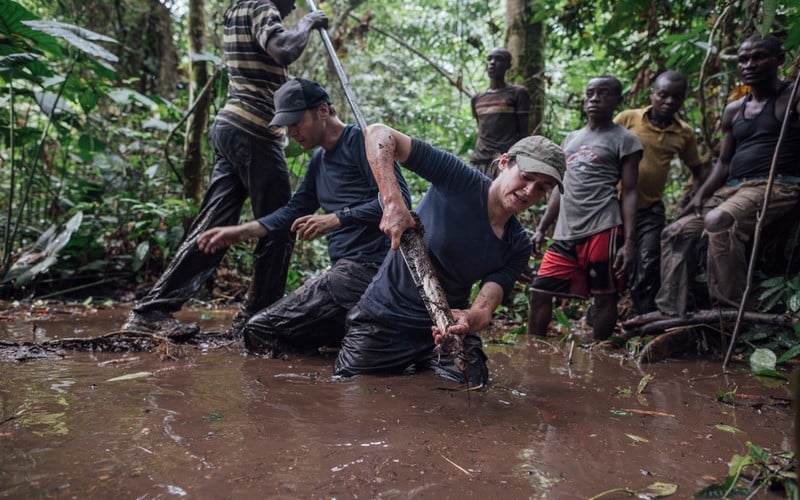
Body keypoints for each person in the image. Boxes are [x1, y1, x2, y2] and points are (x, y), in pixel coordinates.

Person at [122, 1, 328, 337]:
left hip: (230, 127)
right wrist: (307, 23)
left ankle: (152, 310)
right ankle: (259, 320)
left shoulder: (236, 9)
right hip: (254, 131)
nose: (292, 6)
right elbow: (283, 49)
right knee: (280, 228)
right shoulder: (262, 5)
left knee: (212, 227)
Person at [333, 128, 565, 387]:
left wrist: (466, 320)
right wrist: (392, 202)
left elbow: (485, 309)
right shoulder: (460, 180)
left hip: (444, 329)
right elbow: (379, 133)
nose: (529, 191)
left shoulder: (518, 245)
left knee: (471, 388)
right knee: (350, 388)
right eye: (526, 177)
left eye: (542, 188)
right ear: (503, 163)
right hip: (385, 318)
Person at [195, 78, 410, 356]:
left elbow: (399, 203)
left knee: (259, 329)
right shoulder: (319, 161)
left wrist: (337, 218)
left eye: (296, 122)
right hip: (345, 274)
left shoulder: (363, 142)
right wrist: (237, 232)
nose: (292, 131)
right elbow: (294, 210)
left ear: (322, 110)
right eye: (287, 125)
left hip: (373, 268)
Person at [655, 34, 800, 317]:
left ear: (779, 61)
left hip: (775, 184)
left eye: (759, 57)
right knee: (675, 231)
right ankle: (670, 310)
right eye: (743, 59)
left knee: (719, 220)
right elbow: (722, 163)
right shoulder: (735, 109)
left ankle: (728, 309)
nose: (749, 64)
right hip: (732, 188)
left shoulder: (791, 98)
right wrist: (700, 195)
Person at [527, 75, 642, 341]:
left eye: (603, 93)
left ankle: (598, 354)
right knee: (540, 291)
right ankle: (533, 354)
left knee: (604, 295)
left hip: (603, 226)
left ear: (618, 101)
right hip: (565, 232)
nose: (595, 98)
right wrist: (542, 228)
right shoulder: (570, 139)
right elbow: (560, 186)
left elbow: (630, 191)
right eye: (590, 93)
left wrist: (630, 242)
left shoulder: (625, 139)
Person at [614, 70, 705, 316]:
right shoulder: (628, 119)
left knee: (648, 261)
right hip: (613, 206)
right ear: (652, 94)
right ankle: (602, 315)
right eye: (663, 95)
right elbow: (601, 145)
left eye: (676, 97)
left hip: (650, 209)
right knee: (610, 262)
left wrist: (696, 198)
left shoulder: (683, 132)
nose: (668, 102)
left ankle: (643, 318)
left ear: (683, 99)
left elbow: (697, 170)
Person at [470, 47, 531, 178]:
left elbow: (524, 134)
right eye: (489, 59)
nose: (492, 62)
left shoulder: (518, 93)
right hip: (479, 161)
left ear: (508, 65)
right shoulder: (477, 98)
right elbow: (482, 130)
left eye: (499, 59)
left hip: (505, 160)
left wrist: (518, 160)